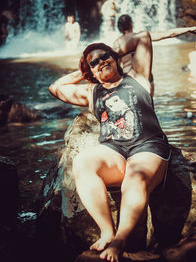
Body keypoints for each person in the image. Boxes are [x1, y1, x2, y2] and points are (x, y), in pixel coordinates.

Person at [49, 31, 172, 262]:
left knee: (135, 178)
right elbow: (55, 87)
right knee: (82, 162)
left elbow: (143, 37)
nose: (101, 62)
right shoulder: (92, 92)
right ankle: (107, 232)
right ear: (90, 71)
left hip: (148, 147)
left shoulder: (139, 76)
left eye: (104, 56)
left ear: (115, 58)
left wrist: (110, 54)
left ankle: (119, 241)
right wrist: (86, 71)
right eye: (94, 62)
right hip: (114, 151)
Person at [113, 14, 196, 95]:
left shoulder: (117, 43)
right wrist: (188, 29)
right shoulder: (141, 37)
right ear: (131, 24)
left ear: (119, 28)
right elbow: (168, 34)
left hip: (127, 77)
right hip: (145, 77)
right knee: (149, 105)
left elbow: (116, 65)